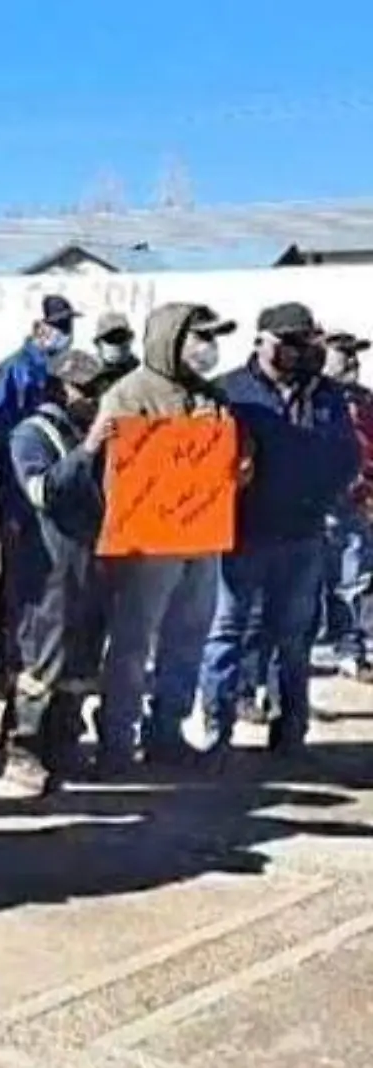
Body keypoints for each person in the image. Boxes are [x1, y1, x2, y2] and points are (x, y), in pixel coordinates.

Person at [200, 304, 359, 763]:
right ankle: (217, 730)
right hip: (242, 535)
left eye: (303, 341)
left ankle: (291, 732)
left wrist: (323, 500)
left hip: (303, 535)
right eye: (287, 341)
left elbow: (346, 455)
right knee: (226, 634)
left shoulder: (326, 395)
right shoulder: (230, 392)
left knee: (294, 637)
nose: (296, 350)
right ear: (262, 342)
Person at [87, 303, 234, 766]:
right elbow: (109, 466)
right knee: (133, 642)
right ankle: (117, 733)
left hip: (203, 538)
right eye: (200, 337)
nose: (208, 348)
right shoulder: (129, 394)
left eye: (213, 338)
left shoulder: (210, 394)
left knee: (189, 636)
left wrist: (237, 462)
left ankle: (167, 727)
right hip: (149, 544)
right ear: (171, 339)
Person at [0, 350, 118, 792]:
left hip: (90, 565)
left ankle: (64, 744)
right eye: (84, 390)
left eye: (97, 390)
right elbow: (42, 490)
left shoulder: (92, 434)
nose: (93, 399)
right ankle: (24, 749)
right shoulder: (32, 434)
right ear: (59, 389)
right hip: (48, 568)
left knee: (82, 660)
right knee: (42, 661)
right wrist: (86, 451)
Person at [0, 295, 77, 694]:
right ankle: (10, 662)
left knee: (47, 585)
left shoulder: (59, 372)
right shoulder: (13, 371)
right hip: (19, 489)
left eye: (68, 325)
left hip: (52, 495)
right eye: (57, 325)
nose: (64, 333)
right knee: (17, 583)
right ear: (39, 327)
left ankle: (34, 657)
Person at [321, 331, 373, 679]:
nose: (352, 360)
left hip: (357, 503)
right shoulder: (315, 398)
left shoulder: (366, 400)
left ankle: (352, 648)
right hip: (317, 502)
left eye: (355, 353)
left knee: (355, 577)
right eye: (343, 352)